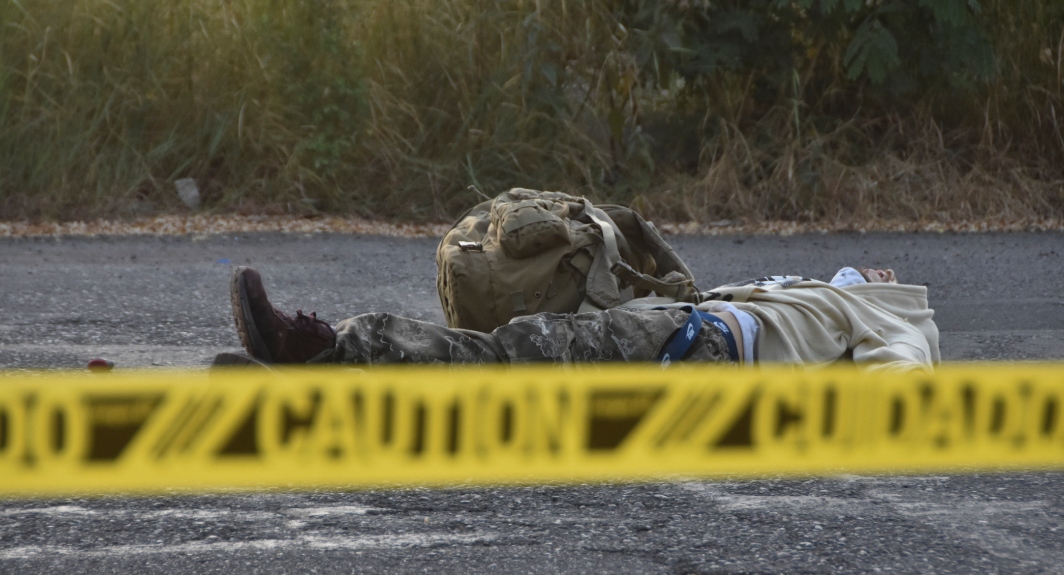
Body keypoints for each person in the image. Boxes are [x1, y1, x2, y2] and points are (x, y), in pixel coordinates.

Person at [224, 264, 938, 372]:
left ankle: (325, 346)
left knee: (512, 352)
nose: (874, 269)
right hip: (677, 330)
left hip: (693, 347)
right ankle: (327, 373)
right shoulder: (811, 292)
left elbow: (898, 379)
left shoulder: (898, 314)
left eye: (881, 272)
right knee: (506, 369)